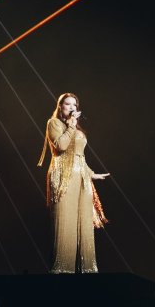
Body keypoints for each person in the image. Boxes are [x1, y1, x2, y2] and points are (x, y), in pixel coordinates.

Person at [37, 92, 110, 274]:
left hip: (81, 178)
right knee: (65, 221)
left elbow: (80, 156)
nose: (71, 108)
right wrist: (70, 126)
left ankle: (88, 270)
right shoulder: (54, 123)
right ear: (60, 106)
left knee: (84, 221)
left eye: (74, 105)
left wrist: (92, 174)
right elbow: (61, 146)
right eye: (68, 104)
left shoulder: (77, 129)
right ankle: (63, 269)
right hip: (63, 176)